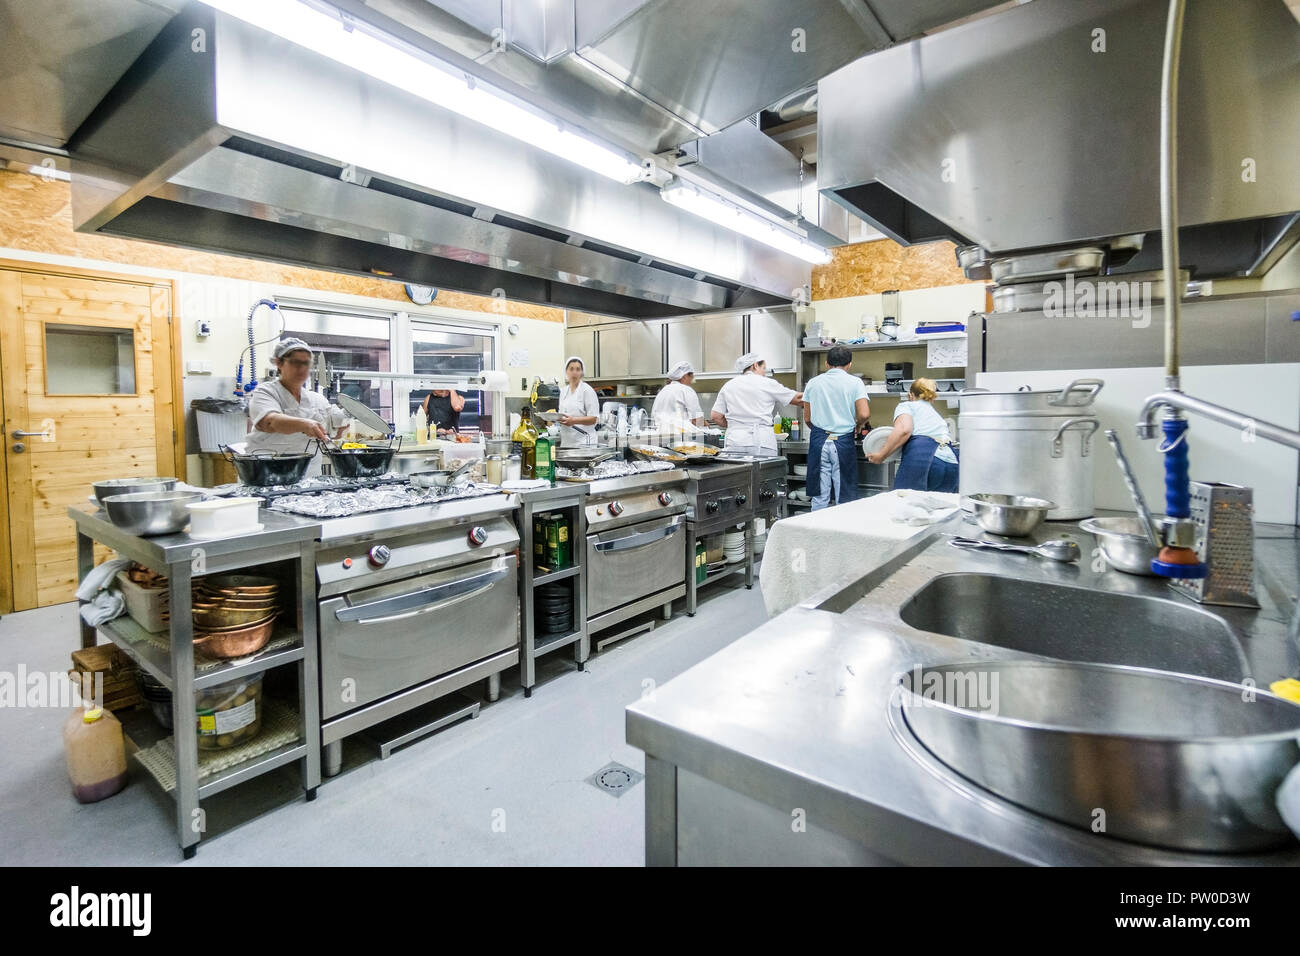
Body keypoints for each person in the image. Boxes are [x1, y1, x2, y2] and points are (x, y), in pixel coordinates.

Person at [244, 338, 349, 476]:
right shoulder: (265, 392)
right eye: (295, 362)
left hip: (309, 480)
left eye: (306, 363)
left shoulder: (318, 400)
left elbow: (333, 433)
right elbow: (270, 422)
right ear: (279, 363)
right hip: (269, 476)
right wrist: (305, 425)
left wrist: (338, 428)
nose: (301, 368)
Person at [802, 345, 870, 510]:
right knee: (844, 494)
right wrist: (858, 425)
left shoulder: (813, 383)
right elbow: (864, 414)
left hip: (819, 441)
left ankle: (816, 532)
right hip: (843, 441)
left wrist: (820, 430)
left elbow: (808, 418)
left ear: (826, 364)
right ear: (849, 365)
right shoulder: (855, 382)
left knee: (819, 495)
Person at [866, 377, 959, 492]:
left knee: (904, 502)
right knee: (940, 507)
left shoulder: (907, 406)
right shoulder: (935, 414)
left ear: (910, 395)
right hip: (952, 464)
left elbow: (904, 430)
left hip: (925, 461)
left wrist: (881, 455)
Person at [710, 352, 804, 457]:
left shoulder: (728, 385)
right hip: (762, 442)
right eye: (764, 368)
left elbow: (715, 416)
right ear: (755, 365)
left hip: (735, 441)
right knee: (764, 472)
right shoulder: (767, 383)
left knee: (736, 473)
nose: (764, 373)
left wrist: (739, 426)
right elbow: (798, 399)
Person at [557, 355, 599, 447]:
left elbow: (593, 418)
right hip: (567, 443)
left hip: (584, 442)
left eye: (578, 369)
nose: (574, 372)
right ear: (566, 372)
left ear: (582, 372)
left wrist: (573, 421)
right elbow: (562, 415)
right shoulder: (563, 391)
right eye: (571, 369)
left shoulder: (587, 390)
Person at [651, 361, 706, 431]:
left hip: (661, 436)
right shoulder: (686, 390)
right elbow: (697, 420)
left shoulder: (662, 391)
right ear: (684, 376)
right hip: (681, 437)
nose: (691, 380)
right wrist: (707, 427)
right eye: (691, 377)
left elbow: (653, 417)